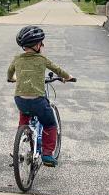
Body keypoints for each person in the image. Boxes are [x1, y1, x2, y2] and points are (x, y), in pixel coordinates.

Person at [7, 26, 72, 167]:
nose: (42, 45)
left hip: (20, 99)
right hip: (37, 100)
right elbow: (57, 69)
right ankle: (47, 154)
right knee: (49, 124)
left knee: (24, 120)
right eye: (41, 43)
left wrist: (11, 79)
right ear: (37, 45)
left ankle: (19, 145)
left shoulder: (17, 59)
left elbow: (10, 71)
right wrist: (68, 77)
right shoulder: (42, 59)